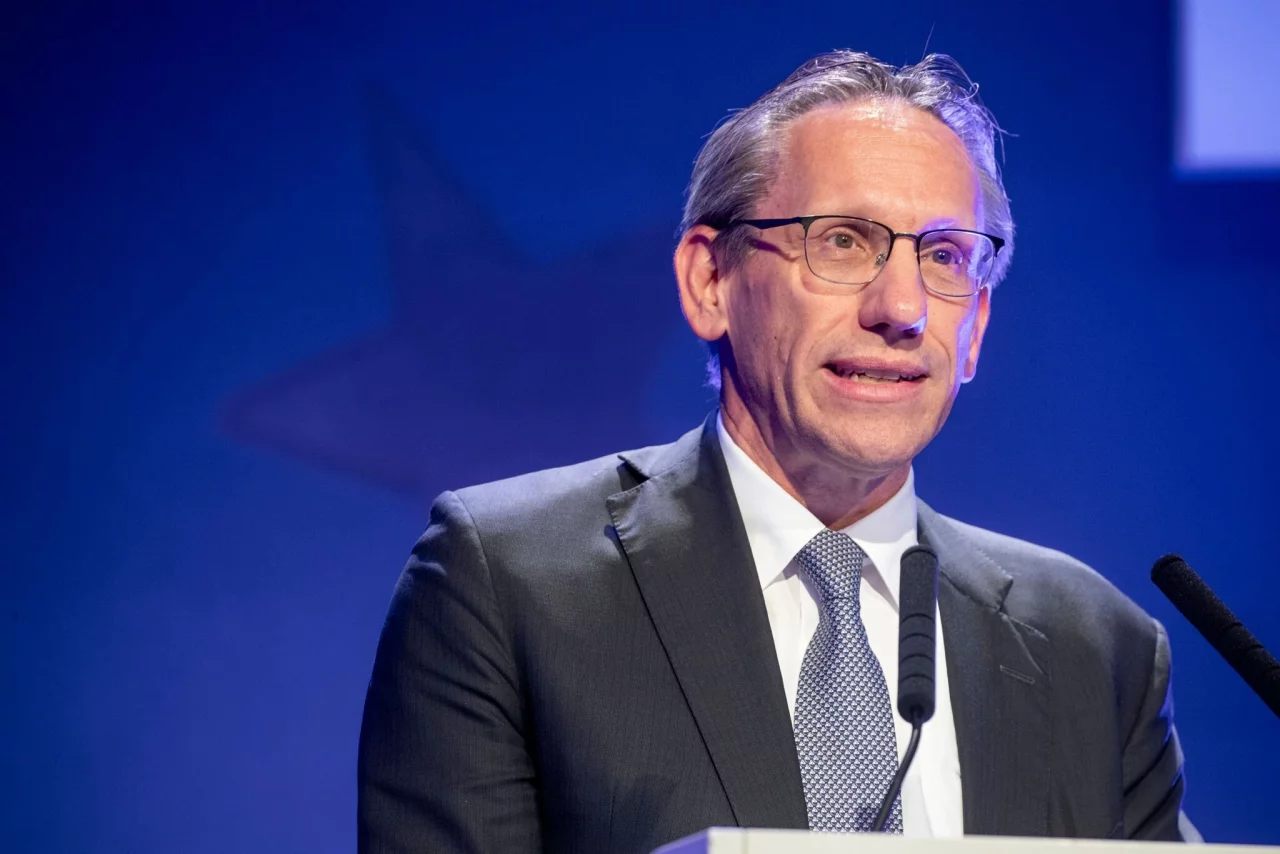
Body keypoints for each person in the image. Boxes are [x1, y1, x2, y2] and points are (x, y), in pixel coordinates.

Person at [357, 51, 1198, 854]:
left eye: (944, 256)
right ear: (709, 282)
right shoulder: (509, 585)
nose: (902, 307)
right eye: (843, 241)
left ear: (975, 325)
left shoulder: (1096, 650)